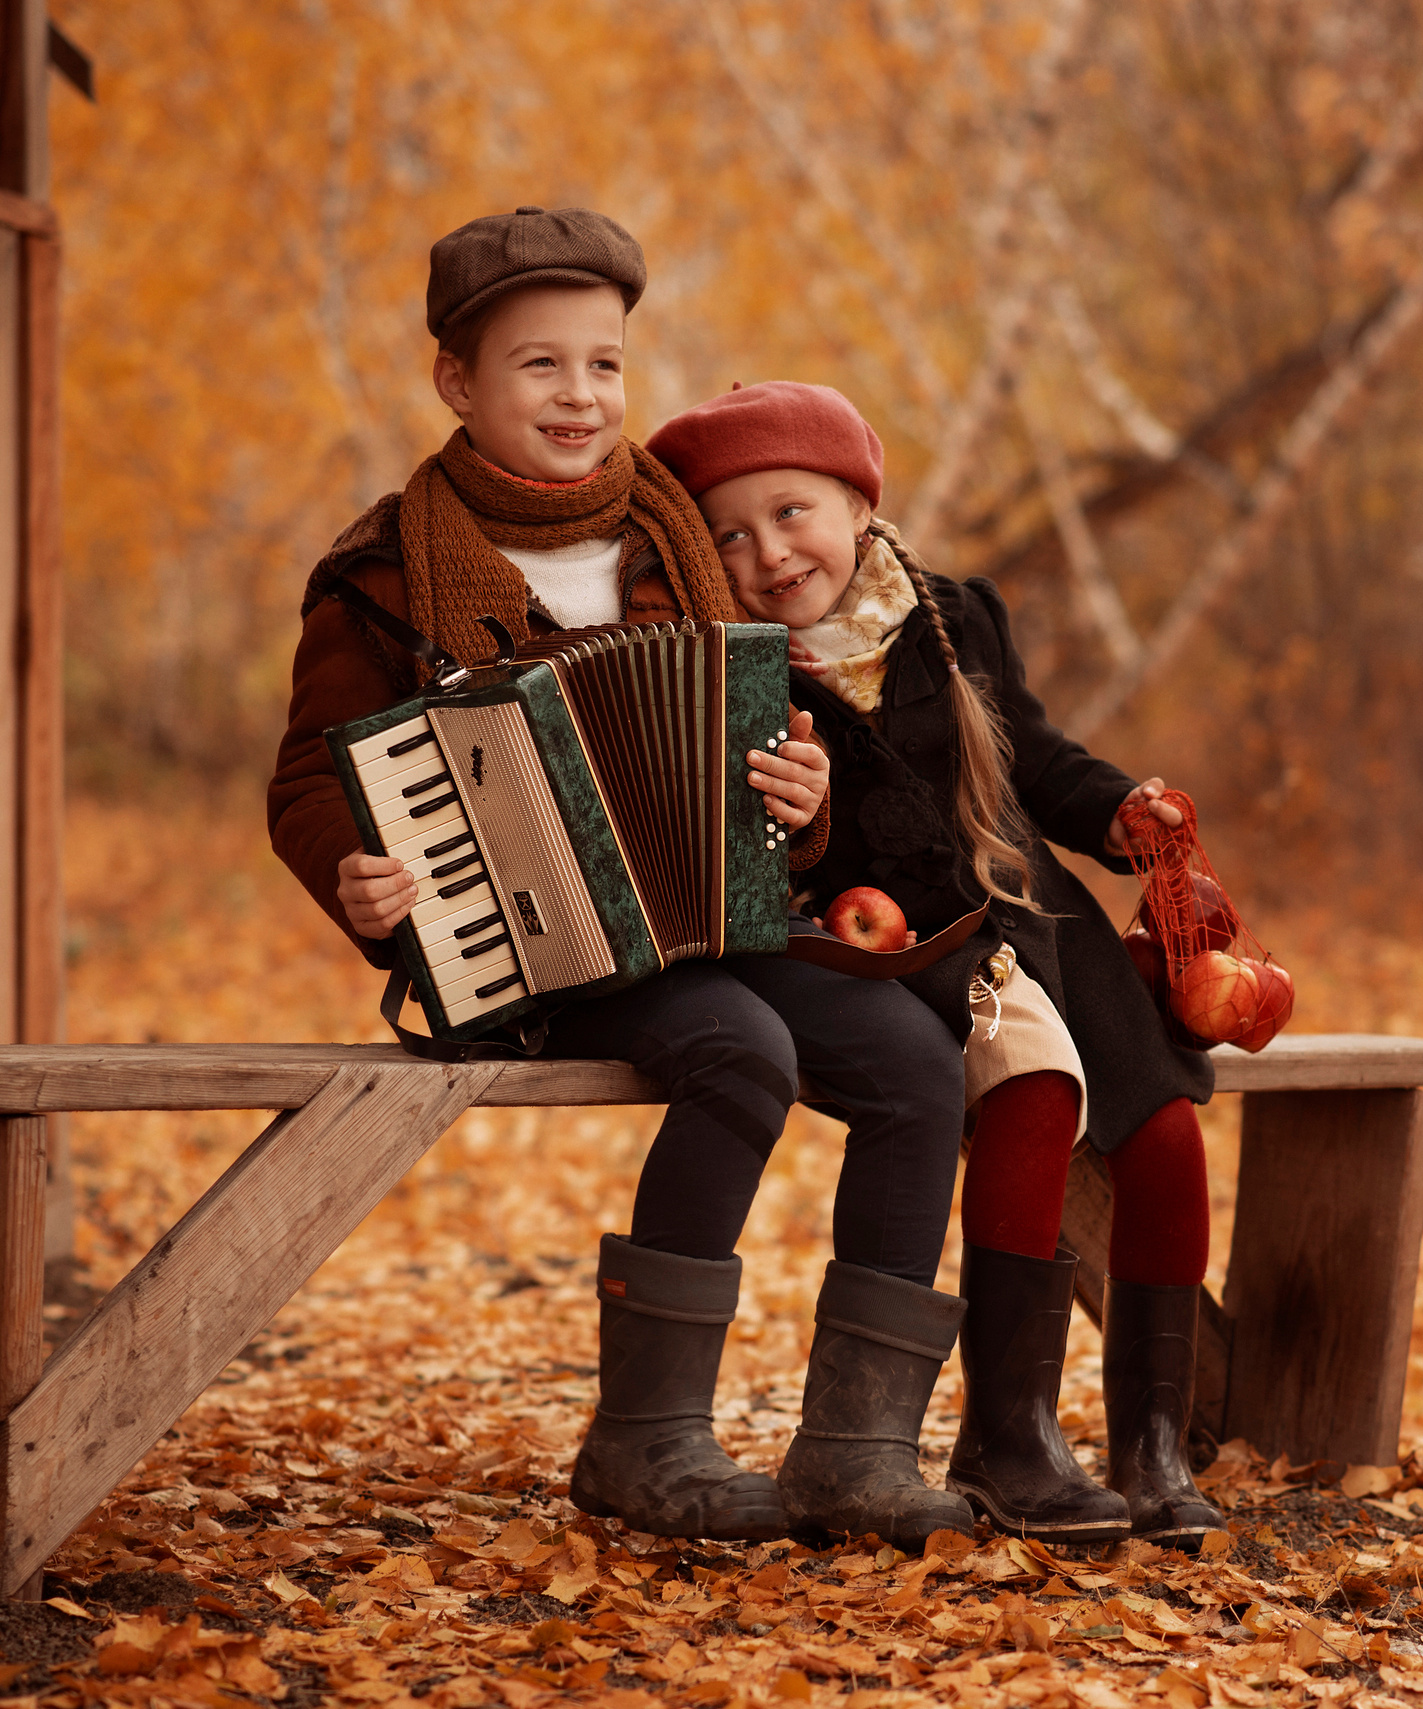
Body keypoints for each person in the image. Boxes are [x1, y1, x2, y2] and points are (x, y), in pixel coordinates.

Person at [268, 211, 975, 1549]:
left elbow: (767, 745)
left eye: (605, 365)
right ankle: (646, 1439)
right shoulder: (379, 577)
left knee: (914, 1061)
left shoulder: (674, 537)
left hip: (708, 921)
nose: (580, 397)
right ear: (457, 383)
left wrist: (804, 808)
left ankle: (856, 1452)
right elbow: (308, 781)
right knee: (743, 1050)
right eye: (540, 366)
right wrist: (351, 872)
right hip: (526, 948)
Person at [645, 382, 1226, 1549]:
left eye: (792, 511)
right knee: (1031, 1095)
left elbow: (1031, 760)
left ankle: (1152, 1442)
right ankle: (1008, 1435)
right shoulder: (735, 667)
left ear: (859, 503)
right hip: (897, 941)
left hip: (1032, 911)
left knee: (1162, 1135)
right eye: (729, 535)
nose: (769, 552)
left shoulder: (953, 615)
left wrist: (1118, 810)